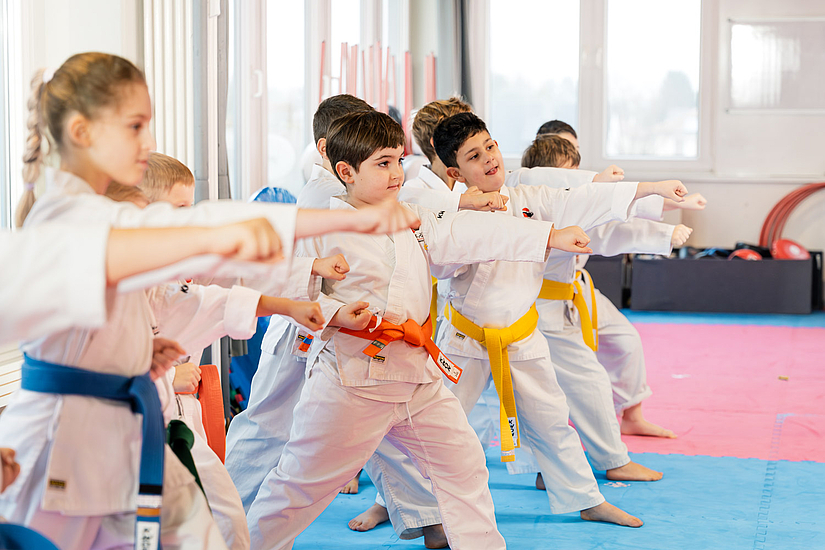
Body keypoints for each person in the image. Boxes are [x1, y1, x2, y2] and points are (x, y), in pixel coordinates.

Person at [0, 52, 417, 550]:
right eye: (134, 127)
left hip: (123, 429)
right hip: (63, 445)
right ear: (82, 131)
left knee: (209, 529)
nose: (148, 142)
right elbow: (197, 233)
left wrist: (130, 351)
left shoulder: (94, 214)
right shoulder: (70, 222)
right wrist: (350, 220)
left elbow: (185, 269)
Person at [243, 110, 593, 550]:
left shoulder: (410, 217)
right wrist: (334, 311)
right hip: (352, 383)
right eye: (383, 163)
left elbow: (474, 233)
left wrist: (549, 237)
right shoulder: (322, 225)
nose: (396, 173)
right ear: (346, 172)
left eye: (398, 160)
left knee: (464, 464)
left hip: (417, 378)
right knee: (299, 485)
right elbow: (278, 281)